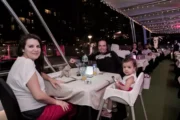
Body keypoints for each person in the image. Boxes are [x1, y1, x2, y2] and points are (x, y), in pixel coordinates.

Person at [7, 34, 75, 120]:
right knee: (71, 105)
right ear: (23, 49)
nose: (35, 49)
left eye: (38, 46)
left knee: (57, 98)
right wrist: (56, 102)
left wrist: (50, 79)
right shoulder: (27, 63)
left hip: (22, 109)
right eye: (31, 46)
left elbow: (38, 73)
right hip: (34, 112)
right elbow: (39, 96)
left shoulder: (20, 61)